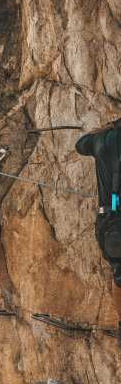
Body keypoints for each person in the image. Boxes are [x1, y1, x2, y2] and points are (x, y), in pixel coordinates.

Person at [75, 119, 121, 345]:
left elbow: (80, 145)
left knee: (119, 274)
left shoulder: (101, 139)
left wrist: (103, 130)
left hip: (107, 224)